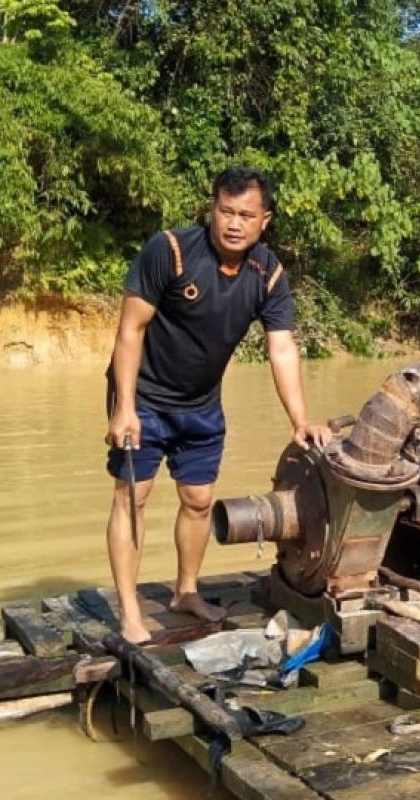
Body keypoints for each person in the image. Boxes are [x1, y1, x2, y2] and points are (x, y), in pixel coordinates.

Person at [104, 167, 332, 644]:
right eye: (225, 211)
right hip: (143, 397)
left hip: (201, 403)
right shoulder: (169, 251)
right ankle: (129, 612)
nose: (233, 223)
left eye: (245, 215)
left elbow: (282, 348)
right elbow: (131, 330)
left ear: (264, 220)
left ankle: (185, 592)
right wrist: (124, 406)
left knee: (199, 499)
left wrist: (300, 420)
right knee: (133, 497)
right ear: (211, 209)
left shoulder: (267, 274)